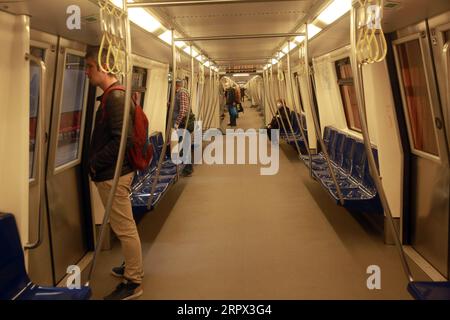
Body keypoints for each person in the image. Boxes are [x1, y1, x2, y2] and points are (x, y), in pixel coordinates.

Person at [85, 46, 144, 300]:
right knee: (124, 226)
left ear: (103, 67)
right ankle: (132, 267)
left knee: (124, 227)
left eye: (89, 66)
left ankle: (133, 281)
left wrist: (96, 162)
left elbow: (123, 141)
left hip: (113, 175)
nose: (86, 72)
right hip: (113, 173)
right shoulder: (112, 96)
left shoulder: (116, 98)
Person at [173, 79, 194, 177]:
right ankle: (187, 167)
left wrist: (177, 123)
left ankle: (187, 168)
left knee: (184, 146)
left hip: (183, 124)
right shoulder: (181, 93)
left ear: (176, 85)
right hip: (183, 124)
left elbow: (183, 110)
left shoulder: (181, 93)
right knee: (184, 145)